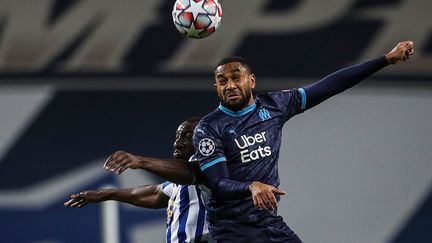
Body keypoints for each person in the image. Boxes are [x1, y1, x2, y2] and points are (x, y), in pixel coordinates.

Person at [189, 41, 414, 242]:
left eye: (236, 77)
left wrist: (385, 60)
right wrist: (251, 186)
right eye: (222, 81)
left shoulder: (274, 106)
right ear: (216, 87)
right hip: (232, 230)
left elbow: (332, 84)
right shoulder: (209, 128)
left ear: (251, 80)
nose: (229, 85)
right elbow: (218, 185)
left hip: (268, 223)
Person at [64, 117, 211, 243]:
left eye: (187, 136)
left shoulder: (212, 168)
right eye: (178, 136)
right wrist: (108, 194)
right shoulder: (181, 183)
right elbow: (154, 194)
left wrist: (140, 161)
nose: (177, 143)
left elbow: (190, 172)